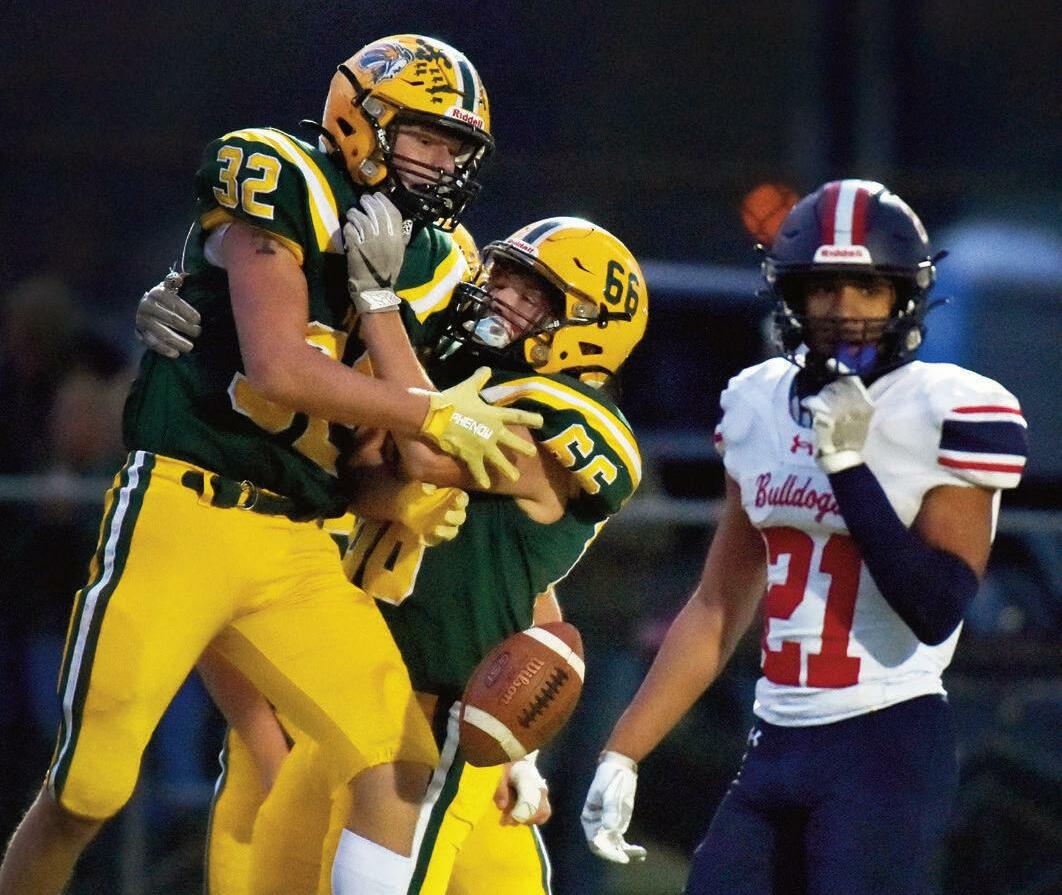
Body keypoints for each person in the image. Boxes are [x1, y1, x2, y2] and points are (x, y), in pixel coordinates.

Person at [0, 34, 544, 895]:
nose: (443, 164)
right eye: (426, 138)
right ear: (360, 121)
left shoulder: (443, 258)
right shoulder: (279, 170)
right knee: (87, 792)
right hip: (185, 510)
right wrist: (425, 407)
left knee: (397, 768)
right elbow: (279, 367)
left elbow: (397, 435)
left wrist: (404, 461)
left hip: (299, 541)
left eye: (456, 148)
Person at [139, 217, 649, 894]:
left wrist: (380, 303)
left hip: (437, 705)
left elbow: (431, 449)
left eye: (532, 295)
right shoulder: (446, 365)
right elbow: (359, 471)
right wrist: (192, 313)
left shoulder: (564, 416)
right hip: (347, 687)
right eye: (504, 279)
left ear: (588, 330)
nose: (501, 298)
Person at [580, 180, 1029, 895]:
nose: (844, 309)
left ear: (904, 295)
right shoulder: (756, 399)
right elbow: (717, 606)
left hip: (886, 740)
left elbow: (936, 605)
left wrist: (848, 469)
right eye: (823, 287)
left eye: (867, 287)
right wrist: (623, 752)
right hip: (775, 738)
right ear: (792, 295)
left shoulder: (949, 407)